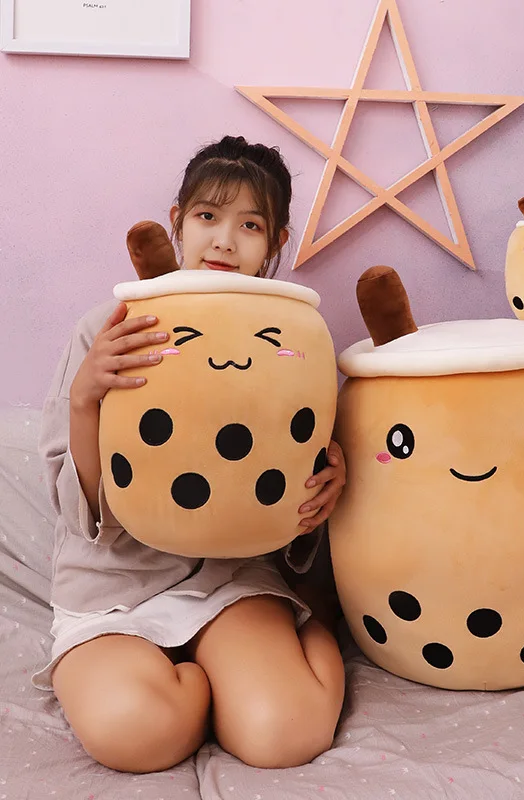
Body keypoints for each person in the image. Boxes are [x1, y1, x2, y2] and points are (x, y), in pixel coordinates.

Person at [32, 136, 346, 773]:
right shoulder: (111, 327)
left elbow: (285, 473)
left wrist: (324, 483)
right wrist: (86, 399)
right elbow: (77, 506)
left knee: (284, 737)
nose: (225, 242)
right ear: (178, 221)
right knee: (137, 736)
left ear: (275, 242)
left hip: (232, 582)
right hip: (114, 588)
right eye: (208, 216)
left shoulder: (291, 340)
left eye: (250, 225)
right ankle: (200, 684)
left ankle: (305, 629)